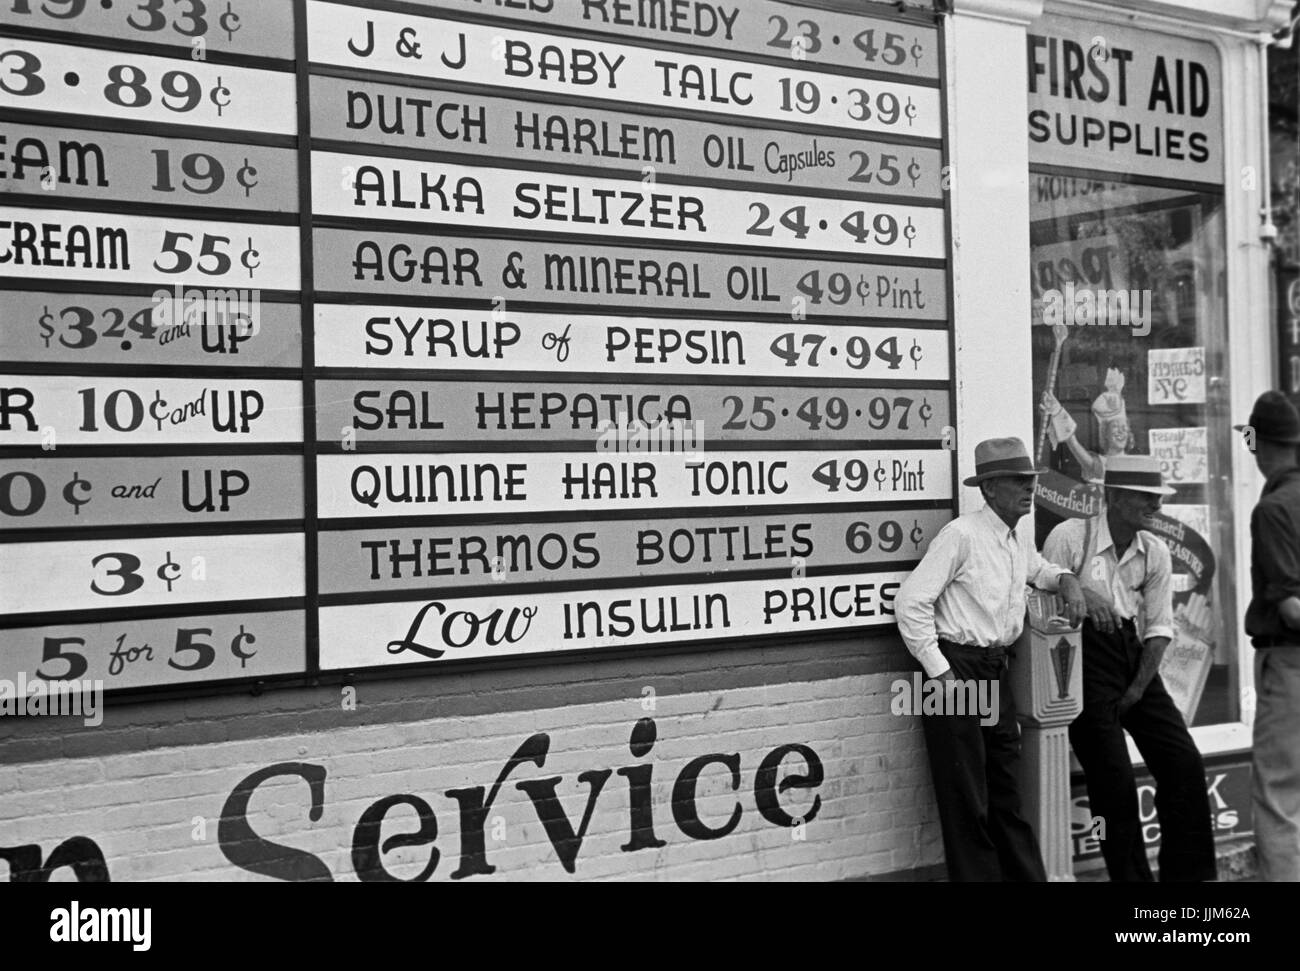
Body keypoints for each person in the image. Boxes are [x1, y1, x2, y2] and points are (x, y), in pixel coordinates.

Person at [896, 437, 1086, 881]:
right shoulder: (962, 535)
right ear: (989, 489)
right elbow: (910, 603)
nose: (1029, 489)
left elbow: (1037, 570)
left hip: (992, 668)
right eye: (1018, 481)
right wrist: (940, 673)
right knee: (967, 798)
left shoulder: (1015, 536)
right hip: (954, 669)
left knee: (1005, 788)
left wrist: (1067, 579)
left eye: (1031, 480)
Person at [1043, 454, 1216, 882]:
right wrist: (1081, 590)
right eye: (1147, 498)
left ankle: (1187, 878)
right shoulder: (1069, 537)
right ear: (1115, 497)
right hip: (1081, 662)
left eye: (1158, 498)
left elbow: (1158, 628)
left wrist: (1138, 690)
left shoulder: (1154, 551)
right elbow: (1041, 599)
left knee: (1184, 765)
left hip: (1135, 660)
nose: (1156, 508)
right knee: (1114, 785)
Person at [1238, 390, 1300, 881]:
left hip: (1290, 665)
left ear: (1256, 442)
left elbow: (1292, 609)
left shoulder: (1274, 508)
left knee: (1279, 799)